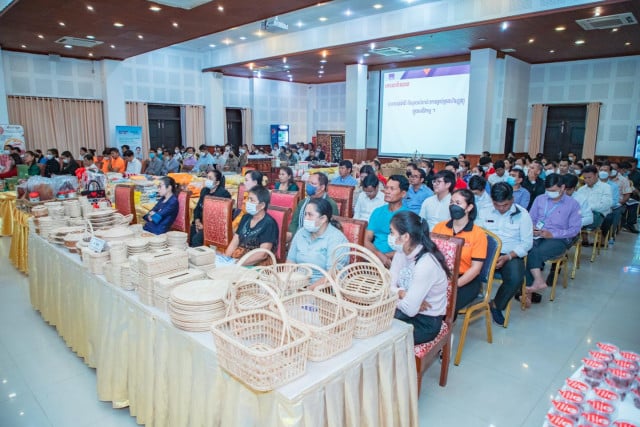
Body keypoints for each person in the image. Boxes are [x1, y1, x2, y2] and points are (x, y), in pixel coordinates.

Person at [388, 211, 451, 344]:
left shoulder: (426, 264)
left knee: (383, 341)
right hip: (401, 311)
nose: (390, 237)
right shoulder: (401, 253)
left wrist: (404, 301)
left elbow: (410, 310)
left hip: (425, 321)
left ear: (405, 237)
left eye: (392, 232)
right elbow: (388, 286)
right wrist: (403, 294)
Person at [476, 183, 533, 326]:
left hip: (510, 254)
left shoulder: (522, 215)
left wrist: (508, 256)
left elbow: (527, 243)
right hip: (487, 253)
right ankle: (471, 302)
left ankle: (496, 305)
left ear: (512, 199)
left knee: (516, 277)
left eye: (505, 205)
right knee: (466, 269)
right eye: (497, 205)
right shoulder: (484, 211)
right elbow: (477, 234)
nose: (501, 209)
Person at [525, 174, 581, 298]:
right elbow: (530, 218)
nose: (550, 193)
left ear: (562, 187)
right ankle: (533, 285)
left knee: (535, 252)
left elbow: (574, 230)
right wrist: (533, 228)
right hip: (537, 234)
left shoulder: (573, 204)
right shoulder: (540, 199)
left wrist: (553, 234)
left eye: (553, 191)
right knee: (526, 248)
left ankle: (527, 291)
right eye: (548, 191)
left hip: (559, 239)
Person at [432, 189, 487, 312]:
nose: (453, 206)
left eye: (458, 203)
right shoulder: (439, 227)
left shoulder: (478, 234)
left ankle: (445, 329)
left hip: (465, 279)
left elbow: (475, 268)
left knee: (445, 304)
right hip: (441, 275)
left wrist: (453, 284)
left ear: (469, 207)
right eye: (451, 202)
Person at [287, 197, 348, 284]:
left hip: (323, 288)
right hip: (298, 283)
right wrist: (287, 283)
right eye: (305, 214)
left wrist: (309, 290)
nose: (305, 218)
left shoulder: (337, 239)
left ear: (323, 219)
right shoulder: (301, 233)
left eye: (310, 215)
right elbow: (290, 261)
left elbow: (332, 275)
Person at [225, 186, 278, 266]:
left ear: (262, 205)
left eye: (251, 200)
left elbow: (262, 254)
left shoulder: (269, 223)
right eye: (248, 199)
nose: (247, 202)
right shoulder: (246, 217)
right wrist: (226, 260)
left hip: (258, 264)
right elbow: (234, 243)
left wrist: (239, 263)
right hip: (239, 258)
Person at [365, 175, 409, 268]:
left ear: (403, 193)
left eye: (392, 189)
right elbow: (367, 239)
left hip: (397, 260)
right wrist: (378, 255)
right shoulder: (377, 211)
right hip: (373, 257)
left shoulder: (408, 216)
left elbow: (409, 247)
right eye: (386, 188)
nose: (387, 191)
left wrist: (386, 257)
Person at [287, 172, 338, 241]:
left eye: (313, 184)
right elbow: (294, 223)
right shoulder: (303, 203)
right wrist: (294, 237)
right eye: (308, 183)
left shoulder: (331, 204)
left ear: (322, 187)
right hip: (301, 237)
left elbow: (333, 228)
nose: (309, 186)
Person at [190, 169, 231, 247]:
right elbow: (198, 208)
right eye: (207, 177)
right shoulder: (204, 191)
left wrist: (205, 226)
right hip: (201, 223)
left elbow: (220, 217)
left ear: (217, 182)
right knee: (190, 232)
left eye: (210, 178)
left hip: (214, 226)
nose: (207, 180)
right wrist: (197, 221)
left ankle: (202, 257)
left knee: (196, 239)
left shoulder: (223, 194)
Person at [576, 165, 612, 230]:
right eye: (585, 178)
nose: (587, 180)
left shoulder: (605, 187)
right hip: (582, 214)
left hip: (597, 214)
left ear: (596, 175)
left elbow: (606, 205)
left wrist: (588, 208)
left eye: (589, 177)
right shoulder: (581, 189)